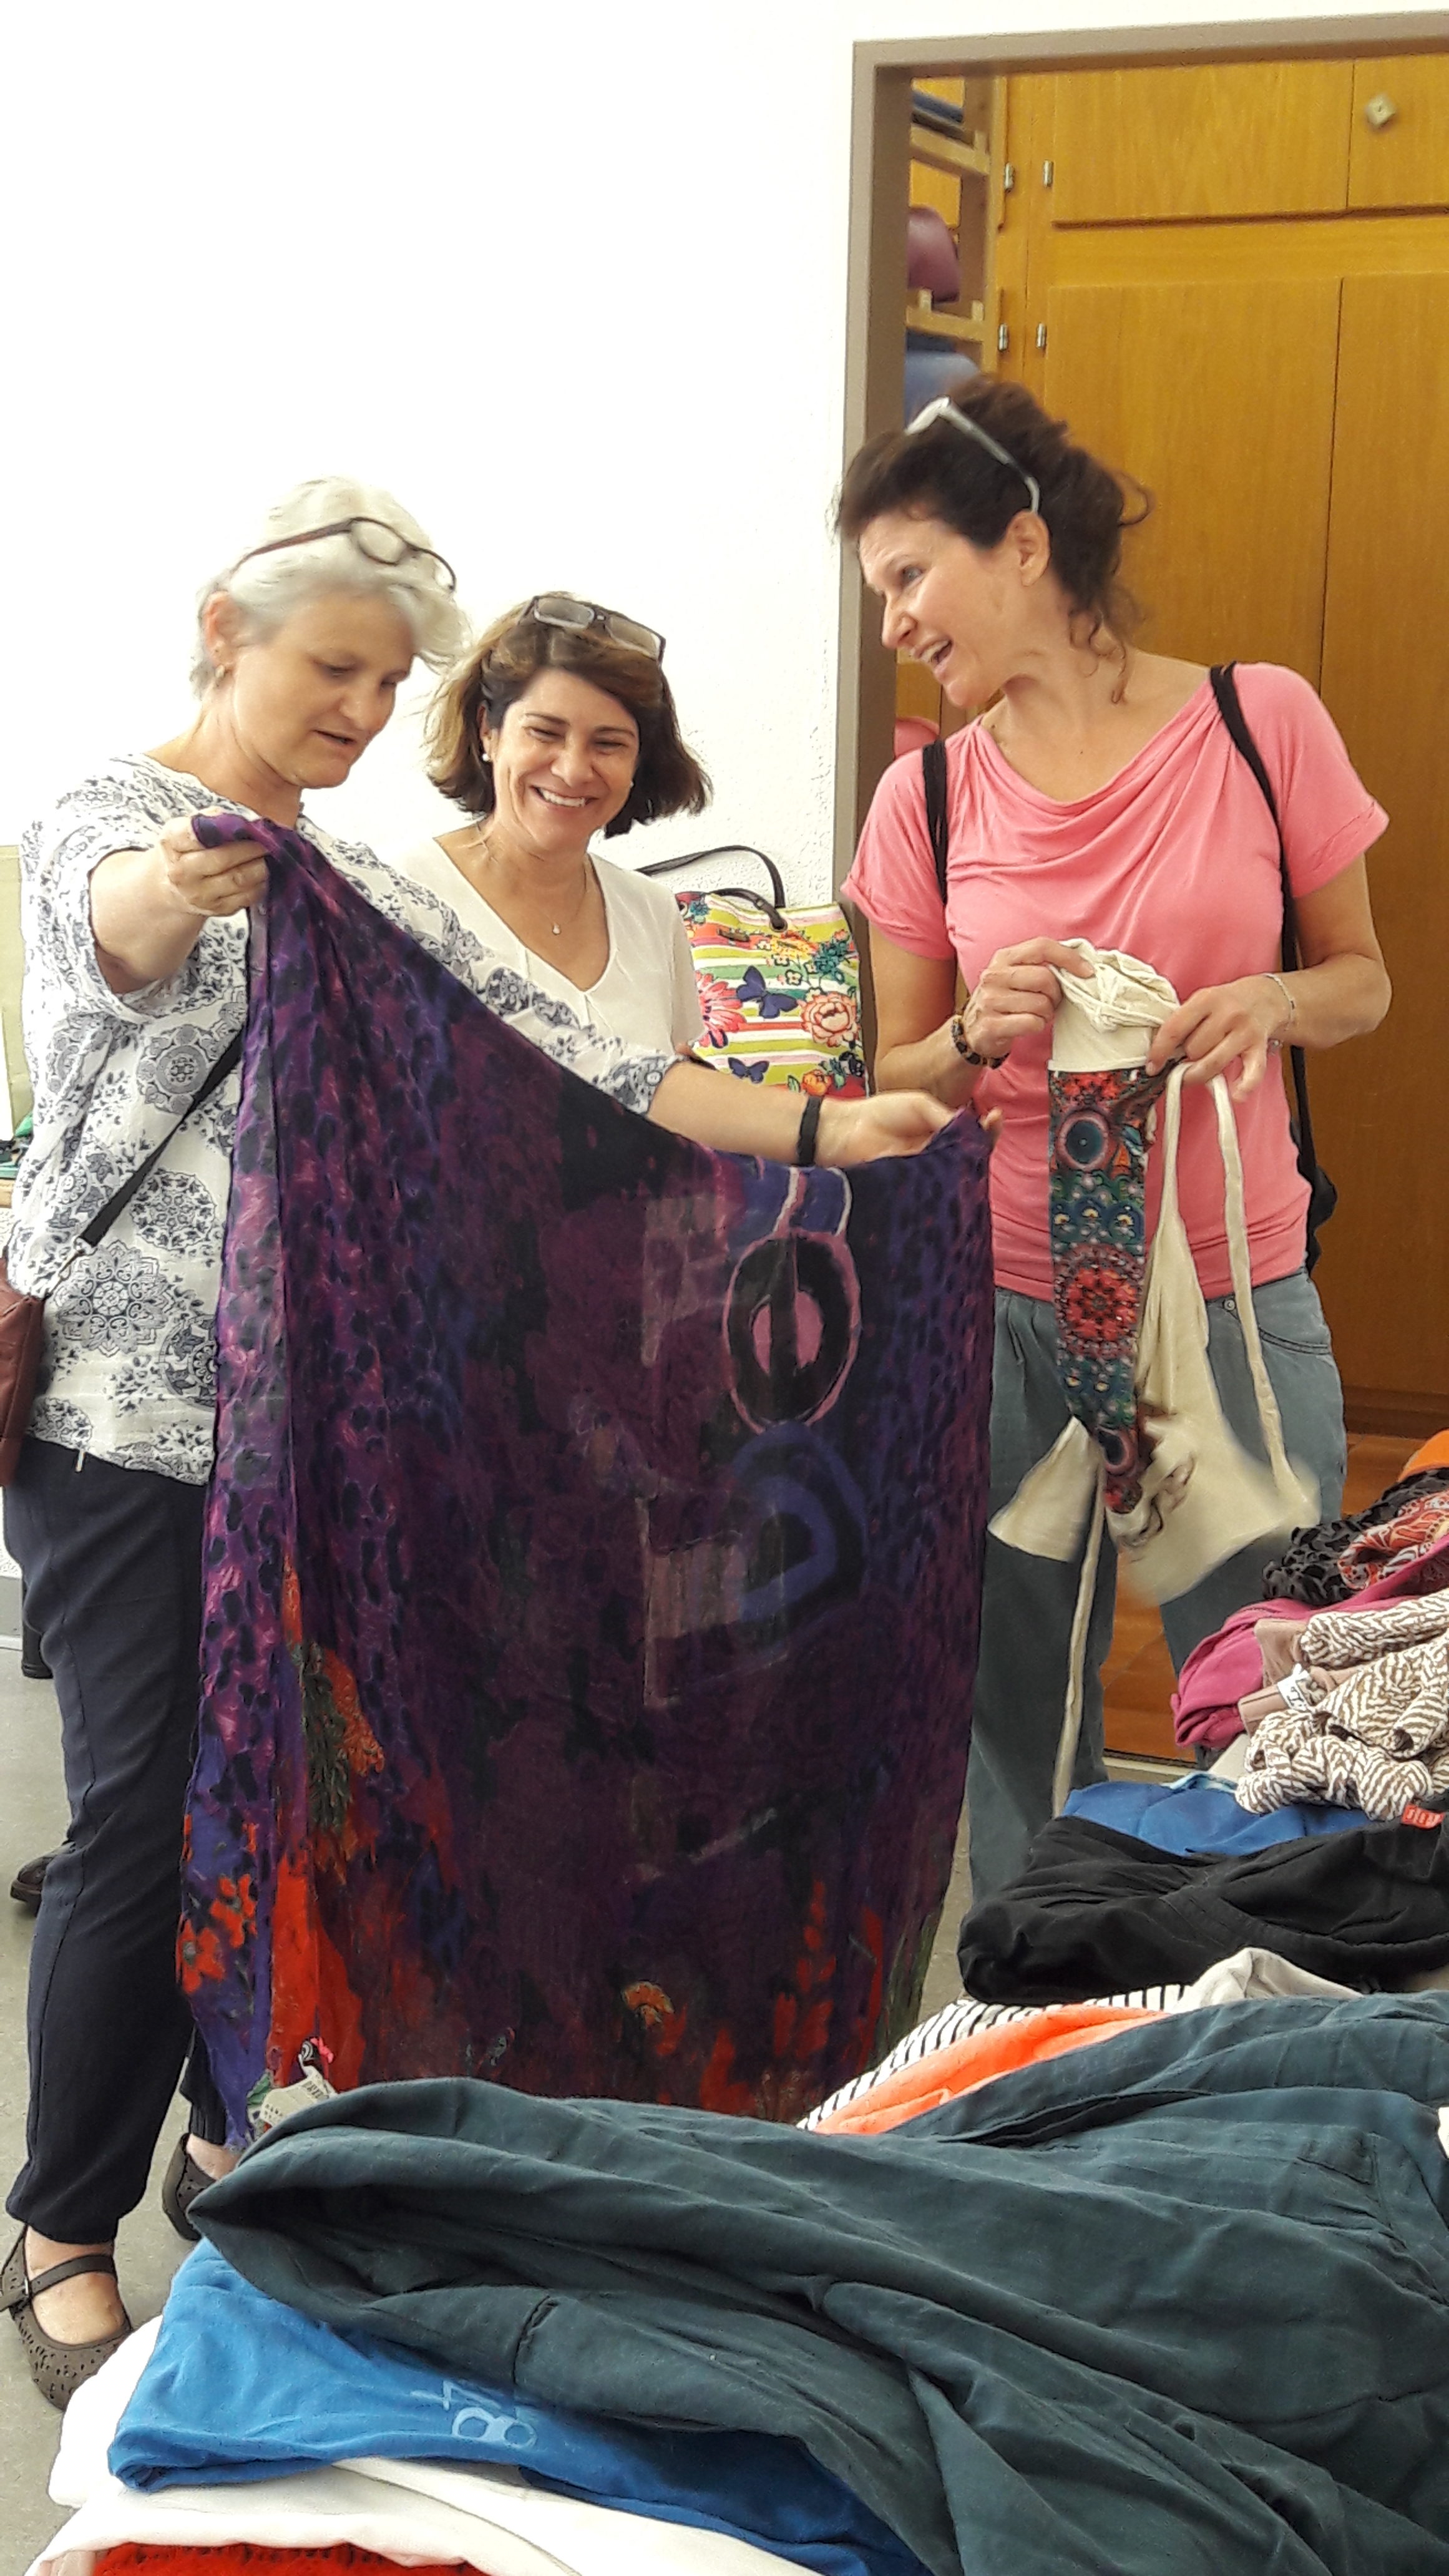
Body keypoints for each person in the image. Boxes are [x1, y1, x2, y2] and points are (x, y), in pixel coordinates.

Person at [1, 482, 947, 2406]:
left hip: (307, 1433)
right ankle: (57, 2233)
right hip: (128, 1424)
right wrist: (179, 885)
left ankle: (226, 2138)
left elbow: (575, 1044)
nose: (362, 711)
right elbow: (110, 932)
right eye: (334, 670)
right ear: (226, 630)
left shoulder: (343, 879)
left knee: (290, 1798)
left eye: (385, 681)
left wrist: (830, 1132)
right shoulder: (118, 819)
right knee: (144, 1816)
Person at [836, 378, 1391, 1901]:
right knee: (1016, 1716)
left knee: (1278, 1693)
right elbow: (892, 1078)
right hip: (1010, 1313)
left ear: (1021, 544)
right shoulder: (924, 795)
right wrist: (972, 1032)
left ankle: (1260, 1985)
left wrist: (1272, 997)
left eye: (907, 576)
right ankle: (1034, 1978)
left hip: (1233, 1300)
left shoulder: (1257, 721)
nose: (892, 623)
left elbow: (1363, 980)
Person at [398, 595, 708, 1055]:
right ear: (488, 731)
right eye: (545, 732)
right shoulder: (401, 894)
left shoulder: (654, 913)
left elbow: (674, 1082)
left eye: (608, 744)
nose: (573, 770)